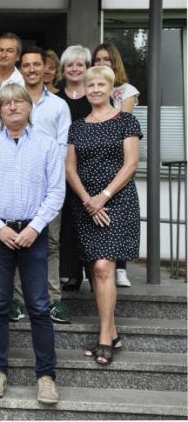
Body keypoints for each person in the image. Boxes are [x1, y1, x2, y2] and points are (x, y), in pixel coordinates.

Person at [0, 83, 64, 405]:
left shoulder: (49, 146)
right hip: (0, 237)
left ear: (28, 107)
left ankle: (46, 376)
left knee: (38, 306)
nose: (12, 107)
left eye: (18, 102)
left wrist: (35, 228)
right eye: (6, 103)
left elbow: (56, 192)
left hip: (34, 236)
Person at [66, 66, 141, 366]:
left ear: (112, 88)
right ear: (84, 90)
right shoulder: (77, 126)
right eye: (91, 85)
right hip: (86, 205)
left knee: (102, 267)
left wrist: (103, 198)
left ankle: (104, 338)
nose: (96, 89)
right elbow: (70, 168)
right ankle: (112, 331)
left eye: (101, 84)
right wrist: (88, 201)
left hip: (117, 202)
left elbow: (131, 164)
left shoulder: (127, 121)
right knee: (98, 272)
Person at [10, 47, 72, 325]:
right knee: (14, 241)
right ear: (20, 68)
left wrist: (51, 181)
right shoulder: (11, 99)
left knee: (51, 243)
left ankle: (53, 300)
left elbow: (63, 147)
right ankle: (18, 300)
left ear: (46, 68)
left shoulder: (58, 105)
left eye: (37, 65)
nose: (32, 69)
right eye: (27, 65)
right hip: (14, 184)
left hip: (48, 185)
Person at [92, 42, 140, 289]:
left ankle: (120, 267)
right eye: (97, 60)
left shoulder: (126, 90)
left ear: (114, 63)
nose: (101, 64)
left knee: (117, 217)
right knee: (97, 217)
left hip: (118, 162)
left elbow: (122, 123)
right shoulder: (93, 88)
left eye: (106, 60)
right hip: (93, 164)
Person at [56, 45, 92, 292]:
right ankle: (70, 273)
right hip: (62, 168)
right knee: (67, 221)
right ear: (63, 69)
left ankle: (91, 271)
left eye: (80, 65)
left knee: (88, 220)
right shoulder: (56, 98)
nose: (75, 69)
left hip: (90, 167)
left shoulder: (97, 95)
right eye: (70, 65)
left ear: (87, 68)